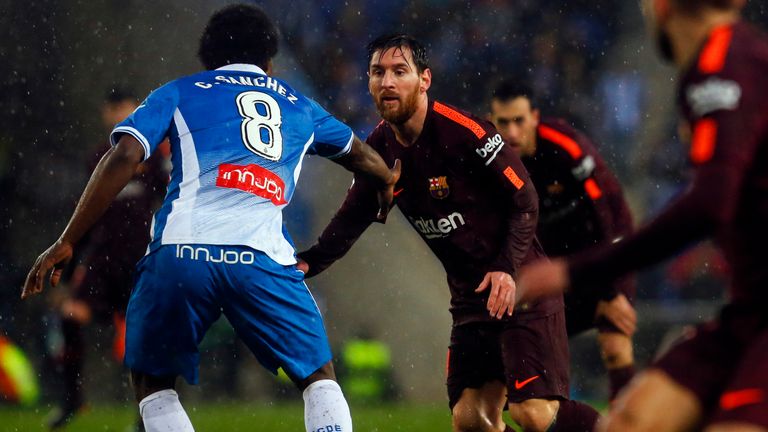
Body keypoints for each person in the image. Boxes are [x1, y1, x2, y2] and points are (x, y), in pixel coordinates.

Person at [22, 4, 399, 432]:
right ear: (270, 61)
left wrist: (68, 239)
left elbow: (126, 154)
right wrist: (387, 180)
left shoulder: (180, 91)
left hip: (182, 253)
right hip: (262, 259)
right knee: (318, 378)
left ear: (209, 57)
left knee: (153, 384)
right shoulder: (301, 106)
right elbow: (362, 156)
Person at [298, 34, 600, 432]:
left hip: (521, 288)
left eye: (399, 71)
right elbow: (352, 217)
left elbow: (525, 199)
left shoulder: (466, 133)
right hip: (471, 302)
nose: (387, 82)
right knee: (471, 420)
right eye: (377, 72)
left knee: (533, 413)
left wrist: (507, 268)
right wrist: (310, 261)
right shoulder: (380, 148)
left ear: (425, 79)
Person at [517, 0, 768, 431]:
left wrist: (575, 271)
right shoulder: (728, 62)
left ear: (661, 6)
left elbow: (710, 203)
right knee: (629, 421)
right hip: (750, 310)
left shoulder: (726, 65)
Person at [489, 80, 637, 402]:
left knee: (615, 344)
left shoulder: (564, 146)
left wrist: (610, 291)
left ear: (535, 117)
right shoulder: (492, 161)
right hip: (553, 260)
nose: (512, 132)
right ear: (492, 121)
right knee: (544, 355)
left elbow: (603, 214)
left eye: (519, 120)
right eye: (503, 122)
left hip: (606, 246)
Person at [46, 88, 169, 430]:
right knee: (70, 316)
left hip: (139, 261)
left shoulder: (155, 159)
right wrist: (68, 277)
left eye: (125, 108)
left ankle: (145, 414)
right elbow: (83, 219)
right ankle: (72, 400)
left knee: (145, 337)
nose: (119, 115)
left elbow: (171, 202)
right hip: (102, 261)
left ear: (136, 110)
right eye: (113, 109)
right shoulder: (99, 158)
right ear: (106, 114)